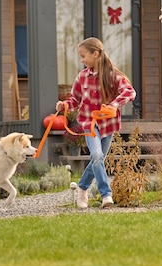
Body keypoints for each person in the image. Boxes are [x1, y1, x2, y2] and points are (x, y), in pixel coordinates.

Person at [56, 37, 136, 209]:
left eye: (84, 56)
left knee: (97, 159)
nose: (82, 60)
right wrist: (64, 105)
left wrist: (114, 104)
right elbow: (74, 100)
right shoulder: (82, 77)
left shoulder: (112, 75)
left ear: (96, 54)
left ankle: (82, 188)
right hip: (88, 124)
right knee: (98, 157)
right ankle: (106, 195)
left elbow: (129, 92)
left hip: (108, 125)